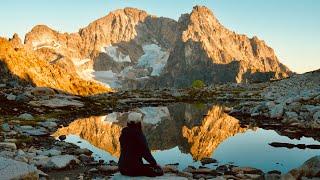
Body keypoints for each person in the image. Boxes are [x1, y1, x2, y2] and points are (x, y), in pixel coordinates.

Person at [118, 112, 164, 177]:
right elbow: (146, 153)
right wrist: (154, 164)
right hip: (133, 169)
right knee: (159, 172)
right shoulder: (139, 135)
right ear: (138, 123)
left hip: (122, 168)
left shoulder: (124, 133)